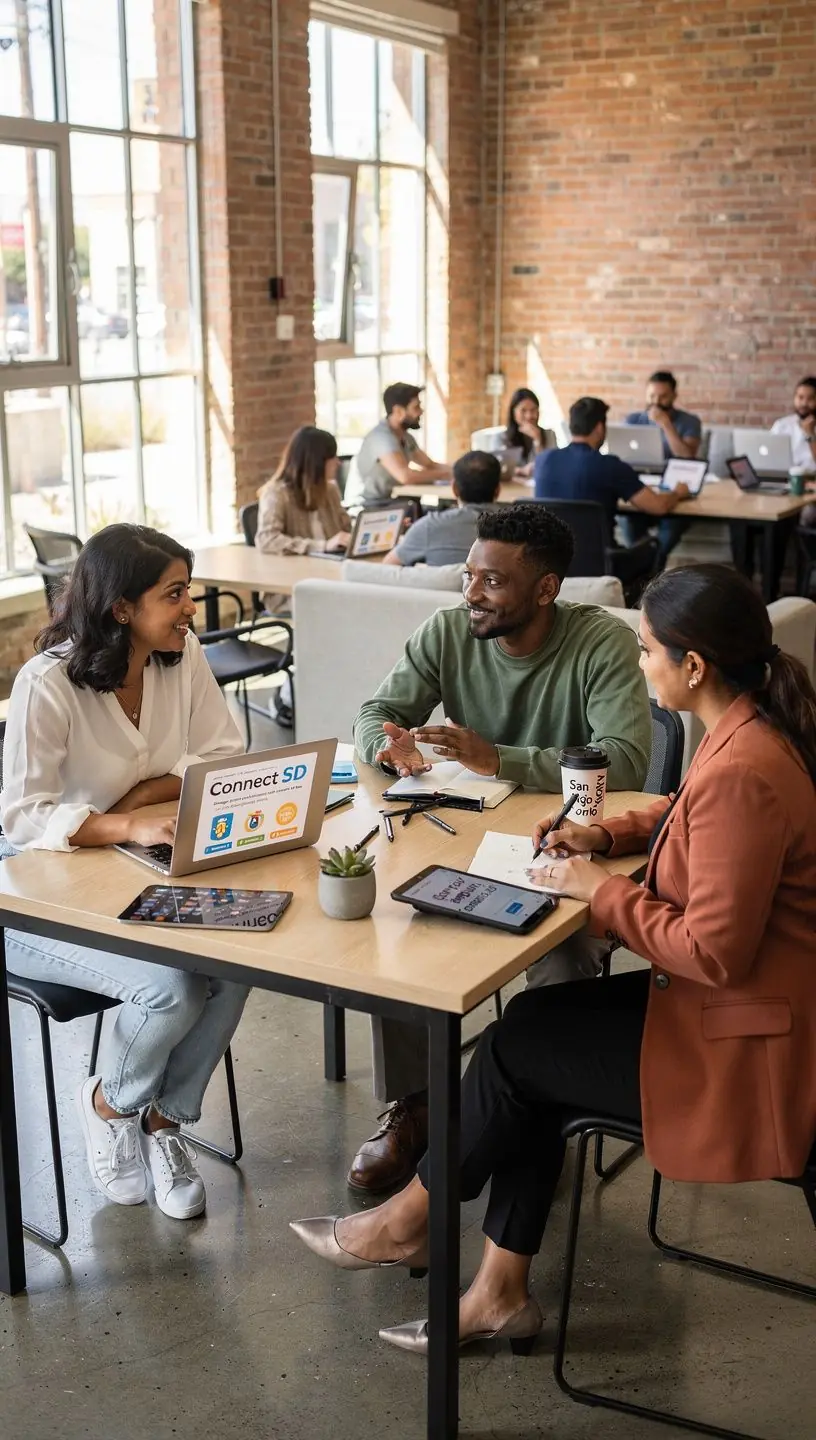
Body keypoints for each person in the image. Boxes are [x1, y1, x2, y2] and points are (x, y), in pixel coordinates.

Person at [291, 563, 816, 1355]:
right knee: (530, 1031)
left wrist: (596, 893)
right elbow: (687, 813)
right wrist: (606, 836)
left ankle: (409, 1225)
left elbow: (713, 952)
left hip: (747, 1050)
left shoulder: (746, 768)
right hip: (752, 1015)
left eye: (648, 651)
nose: (642, 666)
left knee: (517, 1054)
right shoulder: (748, 732)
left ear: (694, 665)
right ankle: (495, 1288)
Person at [347, 502, 651, 1194]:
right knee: (393, 931)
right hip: (461, 832)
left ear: (545, 589)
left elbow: (627, 763)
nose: (471, 594)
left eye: (492, 582)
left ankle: (536, 1104)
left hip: (569, 845)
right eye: (469, 576)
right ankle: (419, 1105)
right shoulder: (449, 631)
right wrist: (388, 748)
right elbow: (375, 712)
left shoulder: (599, 643)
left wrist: (500, 758)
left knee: (565, 948)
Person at [0, 525, 250, 1222]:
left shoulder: (183, 655)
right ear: (120, 609)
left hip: (134, 874)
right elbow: (23, 818)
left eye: (189, 590)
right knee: (172, 989)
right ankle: (110, 1103)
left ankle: (165, 1124)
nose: (191, 607)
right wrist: (126, 822)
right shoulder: (46, 684)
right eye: (175, 594)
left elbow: (222, 756)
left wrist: (135, 800)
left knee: (238, 961)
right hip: (33, 898)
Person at [534, 396, 690, 600]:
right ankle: (640, 609)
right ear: (600, 428)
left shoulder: (543, 460)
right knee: (652, 546)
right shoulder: (611, 466)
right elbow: (659, 506)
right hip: (601, 563)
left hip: (550, 561)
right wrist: (678, 492)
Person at [620, 370, 702, 564]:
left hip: (674, 486)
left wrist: (666, 424)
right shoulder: (633, 420)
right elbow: (622, 455)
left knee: (672, 525)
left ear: (674, 396)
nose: (656, 401)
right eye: (651, 396)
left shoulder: (689, 421)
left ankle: (652, 566)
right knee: (630, 521)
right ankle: (642, 565)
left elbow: (687, 455)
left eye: (663, 396)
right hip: (642, 484)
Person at [383, 451, 500, 568]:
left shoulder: (429, 526)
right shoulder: (515, 528)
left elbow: (387, 567)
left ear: (454, 489)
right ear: (498, 490)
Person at [344, 383, 451, 509]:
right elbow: (405, 476)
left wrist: (460, 471)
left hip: (392, 501)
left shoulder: (406, 438)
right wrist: (443, 475)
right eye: (416, 407)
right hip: (367, 506)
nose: (421, 411)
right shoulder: (381, 437)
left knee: (440, 513)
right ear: (398, 411)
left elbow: (430, 465)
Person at [256, 425, 352, 559]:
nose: (338, 462)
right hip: (299, 571)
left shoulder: (330, 490)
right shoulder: (276, 493)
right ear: (315, 462)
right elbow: (267, 539)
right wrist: (322, 546)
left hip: (333, 564)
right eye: (332, 457)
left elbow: (347, 528)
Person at [771, 376, 816, 529]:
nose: (804, 403)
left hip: (811, 485)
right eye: (800, 397)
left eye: (810, 398)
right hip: (784, 482)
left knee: (807, 514)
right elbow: (768, 455)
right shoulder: (782, 425)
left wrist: (810, 434)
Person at [503, 388, 553, 477]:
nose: (529, 416)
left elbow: (551, 466)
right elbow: (499, 468)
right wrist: (520, 470)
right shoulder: (503, 437)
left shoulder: (550, 435)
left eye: (533, 410)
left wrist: (537, 440)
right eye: (523, 410)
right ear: (513, 413)